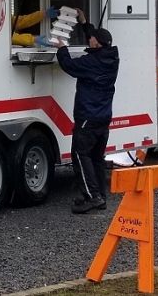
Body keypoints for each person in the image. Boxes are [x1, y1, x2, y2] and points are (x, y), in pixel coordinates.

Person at [56, 20, 119, 214]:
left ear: (96, 44)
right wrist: (84, 24)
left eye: (91, 38)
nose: (89, 39)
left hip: (87, 117)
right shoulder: (112, 58)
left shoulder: (90, 63)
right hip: (103, 116)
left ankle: (93, 197)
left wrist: (62, 49)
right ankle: (99, 195)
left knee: (80, 155)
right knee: (96, 158)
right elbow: (95, 37)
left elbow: (68, 66)